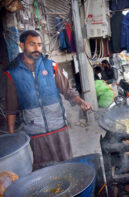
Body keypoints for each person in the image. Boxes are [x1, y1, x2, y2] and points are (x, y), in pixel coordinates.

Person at [4, 30, 92, 169]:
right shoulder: (12, 73)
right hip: (35, 131)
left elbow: (67, 90)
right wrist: (11, 135)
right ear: (22, 45)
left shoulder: (51, 66)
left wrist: (81, 102)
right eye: (32, 44)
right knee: (44, 170)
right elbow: (11, 107)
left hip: (58, 127)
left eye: (39, 44)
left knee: (67, 165)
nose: (37, 48)